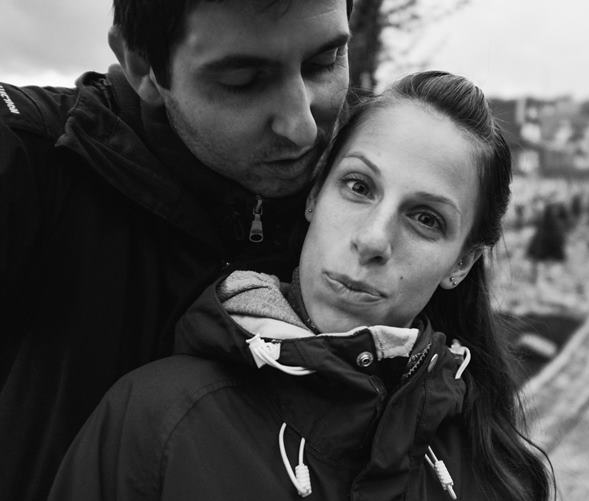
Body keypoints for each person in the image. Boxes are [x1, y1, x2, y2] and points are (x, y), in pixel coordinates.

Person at [49, 71, 552, 501]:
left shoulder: (500, 473)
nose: (373, 240)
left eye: (425, 218)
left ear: (461, 262)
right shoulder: (156, 421)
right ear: (315, 195)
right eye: (358, 187)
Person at [0, 1, 352, 499]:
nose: (303, 127)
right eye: (243, 80)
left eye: (325, 62)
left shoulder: (388, 172)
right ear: (141, 64)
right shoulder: (27, 159)